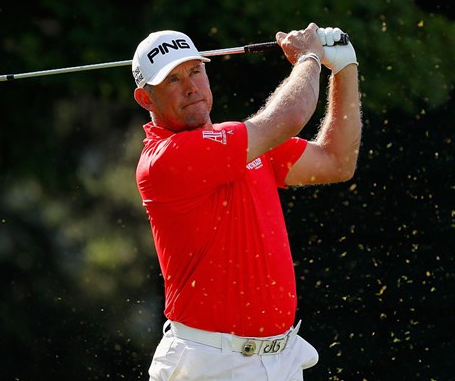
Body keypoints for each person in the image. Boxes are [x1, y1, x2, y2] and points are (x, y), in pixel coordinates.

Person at [132, 22, 361, 380]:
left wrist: (345, 69)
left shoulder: (243, 144)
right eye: (173, 80)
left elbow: (337, 161)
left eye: (195, 71)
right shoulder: (166, 158)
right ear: (146, 99)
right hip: (209, 364)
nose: (191, 87)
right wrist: (309, 58)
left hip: (280, 360)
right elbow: (290, 118)